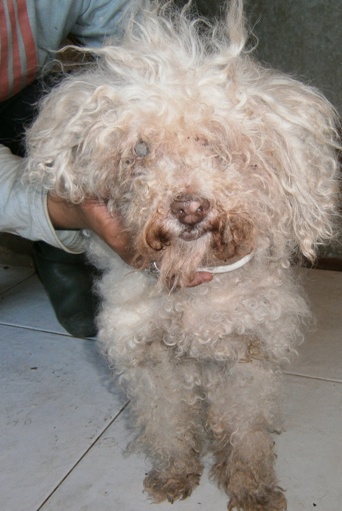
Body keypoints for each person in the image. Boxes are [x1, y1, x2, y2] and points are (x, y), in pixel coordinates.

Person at [0, 0, 212, 338]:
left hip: (20, 89)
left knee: (74, 115)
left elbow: (140, 43)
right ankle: (65, 232)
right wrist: (75, 210)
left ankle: (64, 242)